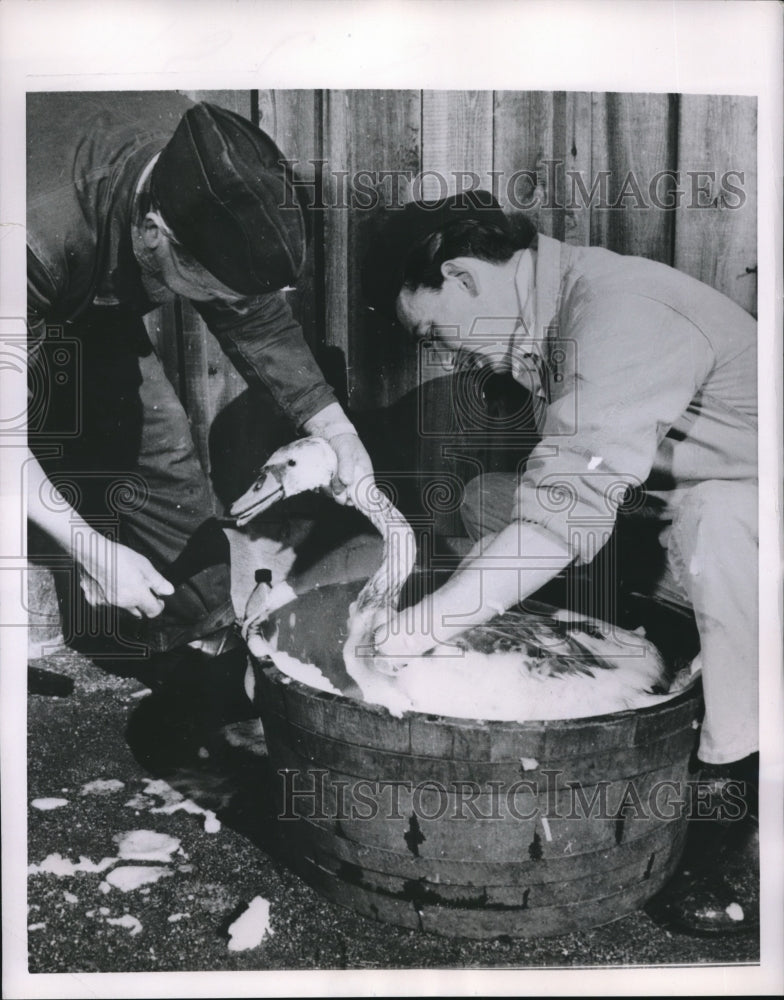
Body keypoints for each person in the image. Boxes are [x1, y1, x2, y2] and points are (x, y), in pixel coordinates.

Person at [364, 190, 758, 936]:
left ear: (462, 276)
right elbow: (574, 478)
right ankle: (625, 668)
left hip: (750, 511)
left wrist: (420, 626)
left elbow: (565, 510)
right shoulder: (552, 311)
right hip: (694, 494)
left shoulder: (622, 308)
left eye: (431, 330)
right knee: (488, 501)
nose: (440, 351)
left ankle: (742, 798)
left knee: (716, 523)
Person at [27, 92, 373, 670]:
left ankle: (205, 646)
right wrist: (88, 549)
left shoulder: (206, 169)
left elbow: (254, 317)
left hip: (78, 273)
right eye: (208, 293)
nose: (220, 308)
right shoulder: (30, 236)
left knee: (159, 445)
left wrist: (337, 430)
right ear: (154, 231)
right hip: (36, 253)